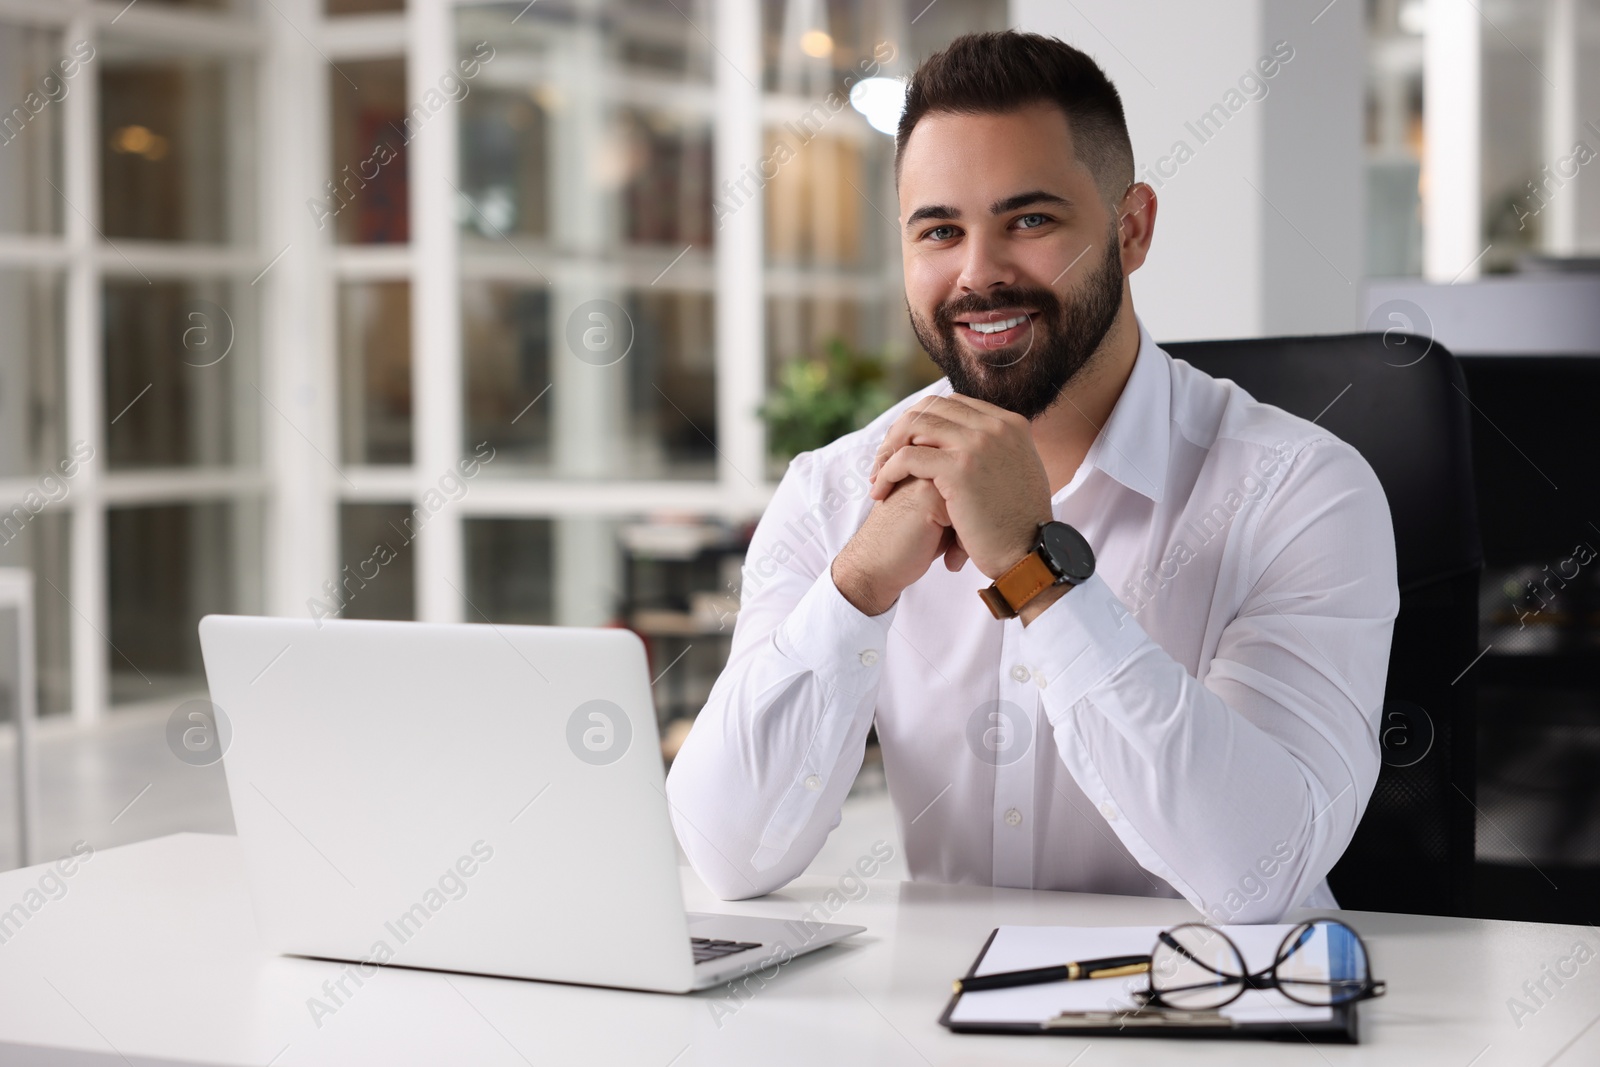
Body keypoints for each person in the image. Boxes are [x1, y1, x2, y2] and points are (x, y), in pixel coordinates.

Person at [665, 30, 1397, 924]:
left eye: (1031, 221)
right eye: (940, 230)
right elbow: (727, 854)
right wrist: (856, 586)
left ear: (1131, 230)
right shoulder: (836, 490)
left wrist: (1035, 570)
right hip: (937, 1021)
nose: (979, 274)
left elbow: (1262, 870)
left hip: (1213, 1020)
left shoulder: (1302, 491)